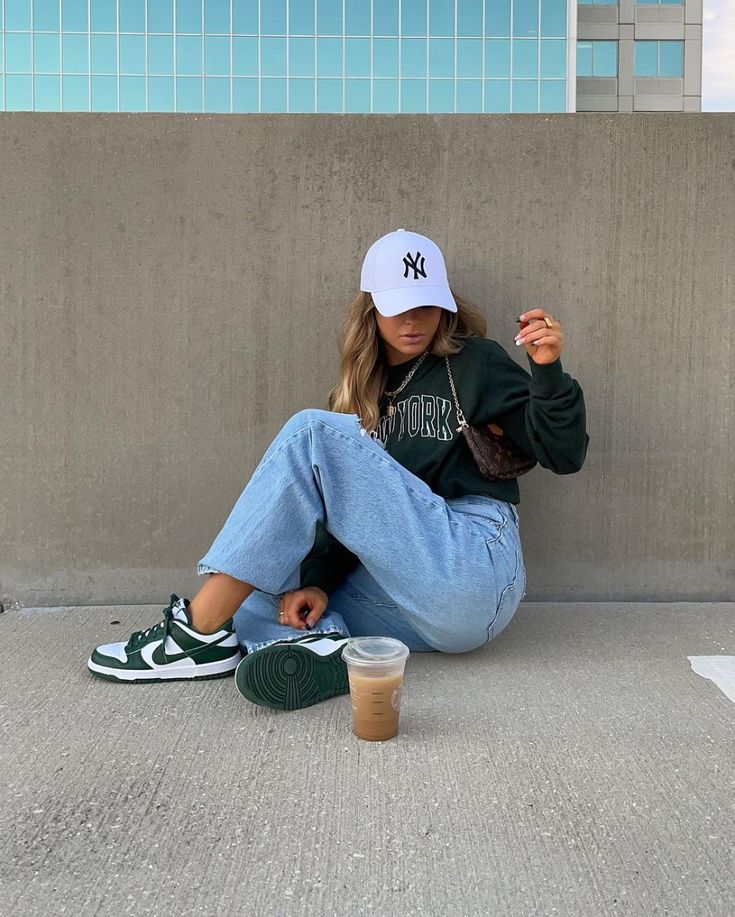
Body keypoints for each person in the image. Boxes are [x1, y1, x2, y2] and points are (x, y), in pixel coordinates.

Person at [87, 228, 589, 711]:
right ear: (372, 309)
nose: (414, 319)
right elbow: (358, 524)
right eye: (398, 307)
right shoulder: (356, 398)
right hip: (415, 608)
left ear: (445, 304)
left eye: (427, 304)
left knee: (312, 432)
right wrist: (320, 583)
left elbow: (563, 455)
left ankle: (194, 636)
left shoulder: (473, 362)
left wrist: (547, 371)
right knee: (256, 601)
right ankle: (323, 646)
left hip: (473, 567)